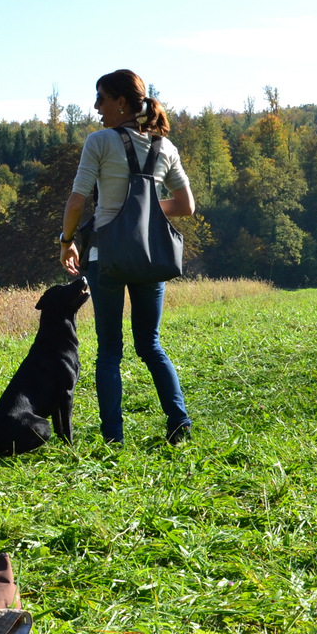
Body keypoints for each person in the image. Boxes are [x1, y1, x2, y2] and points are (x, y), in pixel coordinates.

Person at [57, 70, 196, 444]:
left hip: (107, 259)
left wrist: (66, 239)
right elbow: (186, 205)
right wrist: (147, 212)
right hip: (151, 258)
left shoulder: (100, 142)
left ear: (121, 102)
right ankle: (179, 423)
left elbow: (77, 200)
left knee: (109, 351)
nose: (97, 107)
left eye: (101, 98)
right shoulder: (165, 148)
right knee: (150, 344)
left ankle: (114, 439)